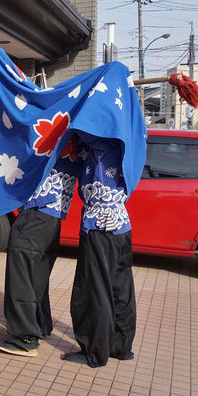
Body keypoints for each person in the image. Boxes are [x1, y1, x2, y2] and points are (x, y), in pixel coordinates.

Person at [0, 136, 81, 357]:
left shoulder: (55, 121)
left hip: (40, 205)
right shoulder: (72, 123)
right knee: (37, 271)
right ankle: (40, 324)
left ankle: (25, 336)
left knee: (22, 272)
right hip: (53, 210)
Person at [62, 133, 136, 367]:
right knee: (120, 288)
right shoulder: (127, 138)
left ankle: (95, 352)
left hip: (100, 225)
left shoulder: (97, 141)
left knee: (94, 289)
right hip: (121, 224)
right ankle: (120, 346)